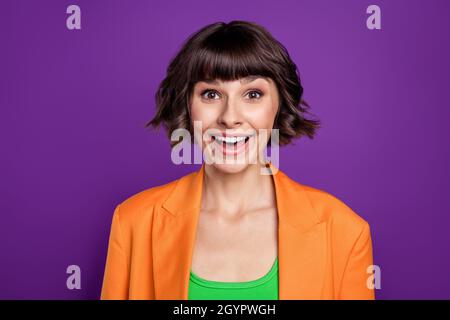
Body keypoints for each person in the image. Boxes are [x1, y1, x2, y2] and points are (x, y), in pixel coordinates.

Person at [100, 20, 375, 300]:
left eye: (253, 94)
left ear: (279, 105)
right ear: (187, 104)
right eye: (211, 94)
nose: (230, 117)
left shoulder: (344, 230)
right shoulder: (132, 221)